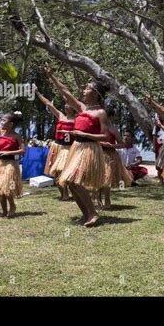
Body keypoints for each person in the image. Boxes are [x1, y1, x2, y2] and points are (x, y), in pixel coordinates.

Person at [44, 64, 110, 227]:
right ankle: (86, 214)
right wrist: (52, 76)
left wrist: (85, 135)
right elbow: (65, 92)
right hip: (77, 147)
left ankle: (93, 213)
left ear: (95, 93)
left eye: (87, 89)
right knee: (69, 181)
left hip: (89, 149)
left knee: (75, 180)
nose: (83, 91)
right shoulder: (82, 108)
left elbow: (105, 136)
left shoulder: (101, 112)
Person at [35, 89, 75, 200]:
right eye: (66, 104)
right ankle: (63, 193)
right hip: (57, 147)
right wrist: (38, 93)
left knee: (64, 170)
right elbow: (48, 103)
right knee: (55, 172)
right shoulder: (60, 116)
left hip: (70, 148)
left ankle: (69, 192)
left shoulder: (77, 119)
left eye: (70, 104)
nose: (67, 106)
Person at [153, 116, 164, 184]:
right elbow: (154, 137)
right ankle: (161, 179)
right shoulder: (156, 126)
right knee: (159, 164)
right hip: (158, 145)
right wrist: (154, 147)